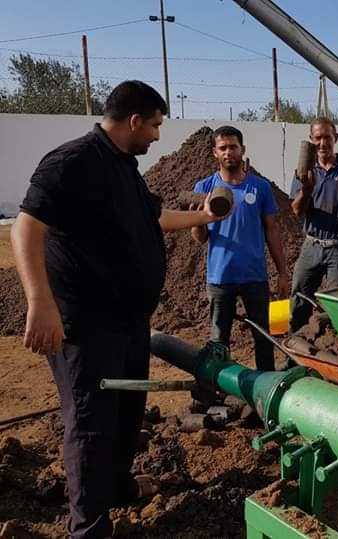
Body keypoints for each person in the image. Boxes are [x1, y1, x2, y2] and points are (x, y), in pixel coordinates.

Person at [11, 80, 230, 538]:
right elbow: (26, 229)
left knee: (128, 411)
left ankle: (116, 487)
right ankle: (88, 527)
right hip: (86, 326)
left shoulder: (124, 167)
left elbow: (155, 218)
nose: (157, 135)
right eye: (154, 126)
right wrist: (39, 301)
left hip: (129, 325)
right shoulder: (72, 162)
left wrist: (206, 217)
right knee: (91, 423)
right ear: (133, 121)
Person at [190, 126, 288, 371]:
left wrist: (282, 273)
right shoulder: (204, 188)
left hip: (255, 277)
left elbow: (272, 230)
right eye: (222, 148)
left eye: (233, 147)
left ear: (242, 149)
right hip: (220, 278)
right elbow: (200, 238)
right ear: (214, 152)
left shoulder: (260, 187)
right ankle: (218, 386)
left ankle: (265, 384)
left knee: (263, 338)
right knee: (219, 342)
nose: (228, 152)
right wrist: (198, 220)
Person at [289, 117, 338, 332]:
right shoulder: (304, 170)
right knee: (299, 298)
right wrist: (306, 190)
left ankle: (332, 347)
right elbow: (296, 210)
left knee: (336, 304)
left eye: (327, 137)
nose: (322, 143)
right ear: (311, 139)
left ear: (336, 138)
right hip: (312, 245)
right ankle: (295, 345)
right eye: (318, 138)